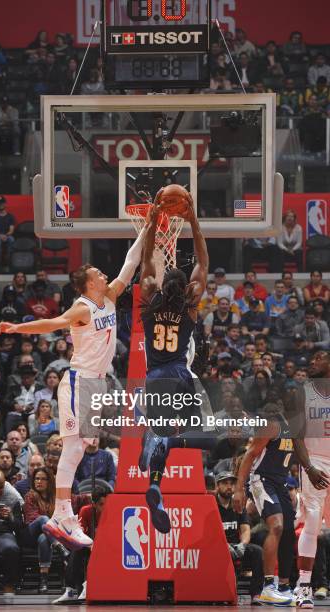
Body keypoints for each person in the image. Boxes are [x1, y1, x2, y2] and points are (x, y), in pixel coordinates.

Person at [0, 217, 149, 549]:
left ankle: (61, 516)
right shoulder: (81, 307)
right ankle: (62, 514)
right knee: (74, 446)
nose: (105, 275)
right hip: (78, 381)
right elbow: (51, 323)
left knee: (80, 448)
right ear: (87, 282)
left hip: (97, 385)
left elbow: (130, 264)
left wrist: (146, 230)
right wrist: (16, 328)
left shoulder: (108, 296)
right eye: (98, 274)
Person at [138, 191, 215, 533]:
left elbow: (147, 259)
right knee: (205, 430)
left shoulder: (149, 299)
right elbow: (203, 261)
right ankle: (157, 452)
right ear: (188, 289)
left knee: (158, 428)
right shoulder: (190, 305)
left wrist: (154, 221)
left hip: (154, 376)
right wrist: (194, 219)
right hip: (180, 375)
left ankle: (154, 468)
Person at [233, 402, 296, 605]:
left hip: (281, 482)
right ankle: (268, 586)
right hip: (262, 479)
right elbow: (250, 455)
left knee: (287, 531)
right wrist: (239, 489)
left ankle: (284, 587)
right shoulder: (271, 426)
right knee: (276, 525)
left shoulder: (295, 429)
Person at [291, 351, 330, 608]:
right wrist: (307, 467)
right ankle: (303, 588)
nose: (312, 361)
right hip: (315, 461)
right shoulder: (302, 392)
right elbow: (296, 435)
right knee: (313, 522)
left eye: (319, 357)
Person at [215, 472, 263, 604]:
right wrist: (224, 545)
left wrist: (243, 544)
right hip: (216, 546)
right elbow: (209, 532)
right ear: (217, 486)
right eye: (225, 483)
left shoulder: (238, 504)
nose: (229, 487)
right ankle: (223, 592)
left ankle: (256, 594)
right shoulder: (211, 503)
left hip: (236, 546)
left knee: (257, 551)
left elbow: (245, 528)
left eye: (232, 483)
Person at [21, 467, 56, 593]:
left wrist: (90, 496)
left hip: (47, 535)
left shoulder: (55, 497)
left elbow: (74, 499)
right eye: (36, 479)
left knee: (44, 539)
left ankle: (43, 580)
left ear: (50, 481)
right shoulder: (30, 496)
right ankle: (58, 545)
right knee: (43, 519)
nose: (39, 482)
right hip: (31, 532)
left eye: (43, 479)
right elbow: (32, 518)